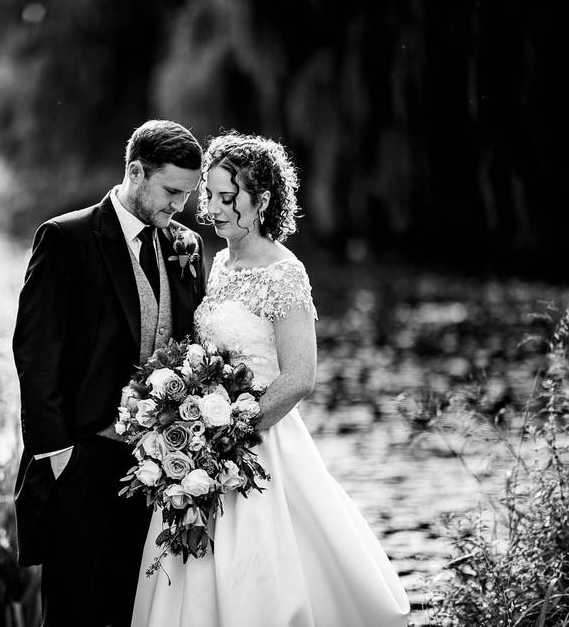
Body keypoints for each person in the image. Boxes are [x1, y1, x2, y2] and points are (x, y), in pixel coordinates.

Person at [131, 133, 411, 627]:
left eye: (226, 198)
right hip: (201, 447)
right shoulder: (218, 261)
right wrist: (194, 431)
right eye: (209, 196)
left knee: (261, 578)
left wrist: (229, 436)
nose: (211, 210)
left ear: (260, 201)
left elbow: (301, 376)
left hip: (259, 444)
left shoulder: (285, 273)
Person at [12, 120, 207, 626]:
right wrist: (58, 455)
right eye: (170, 191)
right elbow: (35, 355)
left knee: (131, 611)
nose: (179, 207)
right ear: (136, 172)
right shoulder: (65, 238)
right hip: (80, 459)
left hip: (157, 468)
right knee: (72, 611)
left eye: (186, 195)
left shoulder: (184, 247)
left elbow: (193, 350)